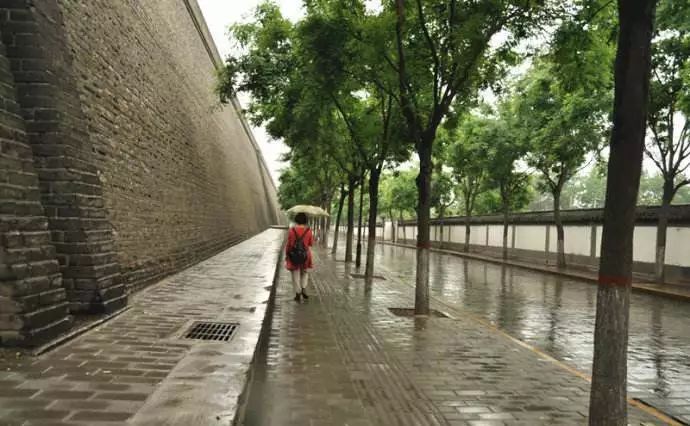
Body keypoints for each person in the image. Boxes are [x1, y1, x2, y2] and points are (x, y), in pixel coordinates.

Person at [285, 212, 314, 302]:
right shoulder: (309, 230)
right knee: (305, 272)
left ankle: (298, 292)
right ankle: (304, 288)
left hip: (294, 255)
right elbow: (311, 243)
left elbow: (289, 244)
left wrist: (287, 255)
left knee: (295, 274)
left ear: (296, 220)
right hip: (305, 255)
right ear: (305, 220)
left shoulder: (292, 230)